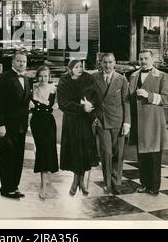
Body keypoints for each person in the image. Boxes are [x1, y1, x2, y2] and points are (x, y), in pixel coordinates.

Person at [128, 49, 168, 195]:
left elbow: (165, 99)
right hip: (138, 122)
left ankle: (154, 186)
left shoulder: (162, 76)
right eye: (141, 59)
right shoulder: (133, 75)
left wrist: (149, 95)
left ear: (152, 59)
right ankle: (144, 184)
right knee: (142, 156)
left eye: (146, 58)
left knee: (154, 156)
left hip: (153, 123)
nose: (143, 61)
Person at [0, 51, 32, 199]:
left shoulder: (27, 79)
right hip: (7, 126)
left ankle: (14, 186)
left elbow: (26, 100)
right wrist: (0, 125)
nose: (22, 64)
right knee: (7, 158)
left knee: (18, 158)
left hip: (21, 126)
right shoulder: (3, 78)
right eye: (19, 61)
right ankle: (6, 188)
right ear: (13, 62)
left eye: (24, 61)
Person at [57, 59, 99, 196]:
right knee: (75, 150)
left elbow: (95, 96)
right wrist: (81, 107)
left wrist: (90, 106)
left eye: (81, 66)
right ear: (70, 69)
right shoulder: (64, 81)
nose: (80, 69)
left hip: (86, 120)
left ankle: (80, 181)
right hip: (72, 120)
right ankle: (76, 181)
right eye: (76, 67)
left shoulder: (88, 78)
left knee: (84, 151)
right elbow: (63, 103)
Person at [92, 53, 131, 195]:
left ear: (115, 63)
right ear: (100, 63)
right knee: (106, 153)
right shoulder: (94, 78)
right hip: (101, 120)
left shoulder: (121, 79)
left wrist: (127, 122)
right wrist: (93, 115)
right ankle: (108, 183)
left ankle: (117, 182)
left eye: (110, 62)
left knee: (118, 153)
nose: (107, 65)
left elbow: (126, 102)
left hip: (118, 121)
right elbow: (89, 98)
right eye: (104, 62)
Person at [30, 66, 58, 199]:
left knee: (48, 150)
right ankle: (43, 185)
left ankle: (45, 183)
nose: (43, 79)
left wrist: (39, 106)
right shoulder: (34, 89)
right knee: (41, 150)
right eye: (40, 76)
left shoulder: (54, 89)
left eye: (45, 76)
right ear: (37, 77)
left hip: (49, 123)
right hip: (37, 122)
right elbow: (34, 107)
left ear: (49, 77)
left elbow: (50, 106)